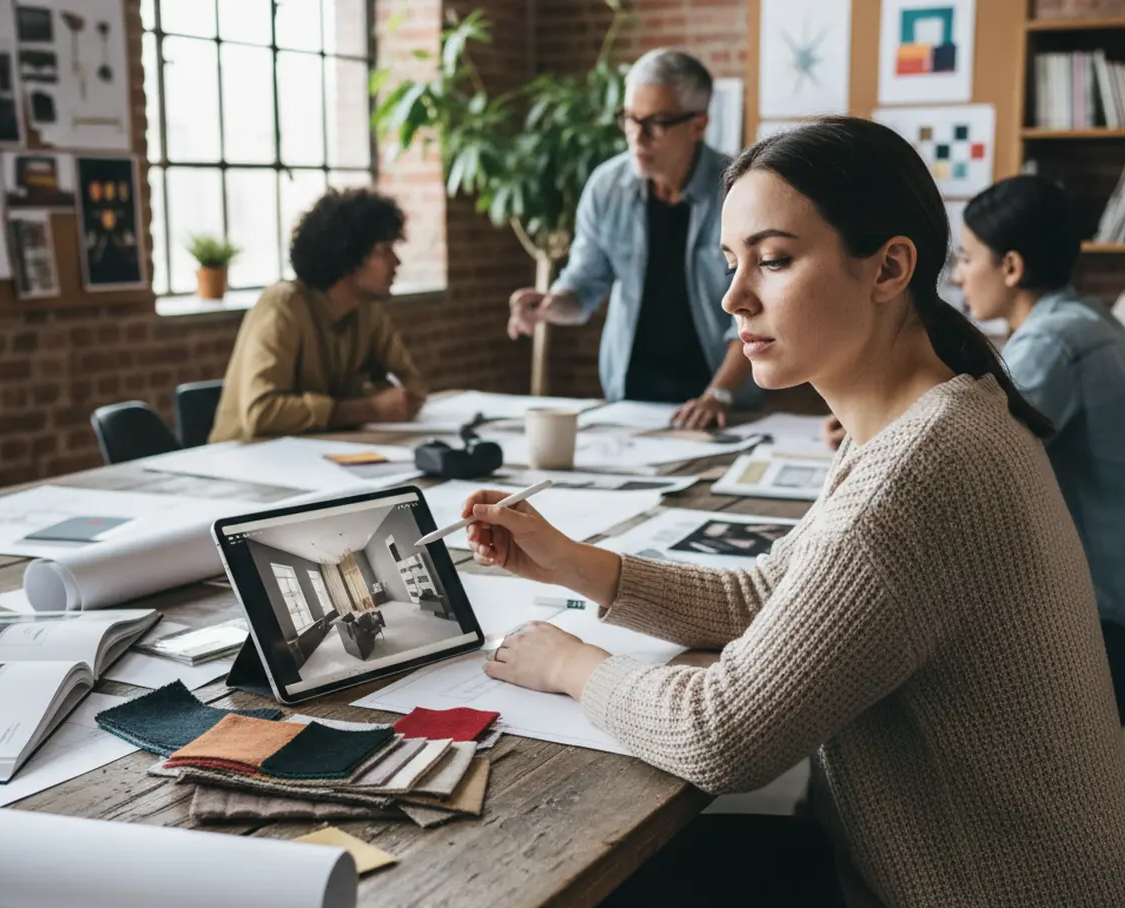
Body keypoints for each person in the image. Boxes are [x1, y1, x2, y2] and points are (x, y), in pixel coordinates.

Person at [464, 118, 1125, 906]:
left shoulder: (919, 474)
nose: (732, 297)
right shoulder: (930, 417)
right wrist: (575, 563)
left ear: (889, 268)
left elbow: (722, 735)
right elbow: (770, 595)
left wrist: (568, 665)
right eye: (730, 263)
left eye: (772, 260)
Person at [506, 49, 757, 430]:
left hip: (724, 404)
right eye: (629, 119)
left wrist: (718, 394)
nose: (637, 137)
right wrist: (550, 305)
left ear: (698, 124)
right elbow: (584, 286)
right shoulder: (606, 187)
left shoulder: (740, 192)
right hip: (630, 402)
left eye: (656, 123)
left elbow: (755, 308)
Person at [953, 174, 1125, 722]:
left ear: (1011, 267)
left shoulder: (1053, 341)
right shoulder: (1085, 317)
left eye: (966, 258)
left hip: (1105, 619)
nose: (957, 276)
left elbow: (964, 455)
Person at [210, 189, 426, 443]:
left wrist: (393, 398)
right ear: (348, 255)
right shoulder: (283, 306)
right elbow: (261, 412)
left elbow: (409, 382)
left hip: (319, 453)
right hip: (243, 457)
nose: (396, 261)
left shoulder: (367, 309)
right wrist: (368, 408)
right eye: (384, 250)